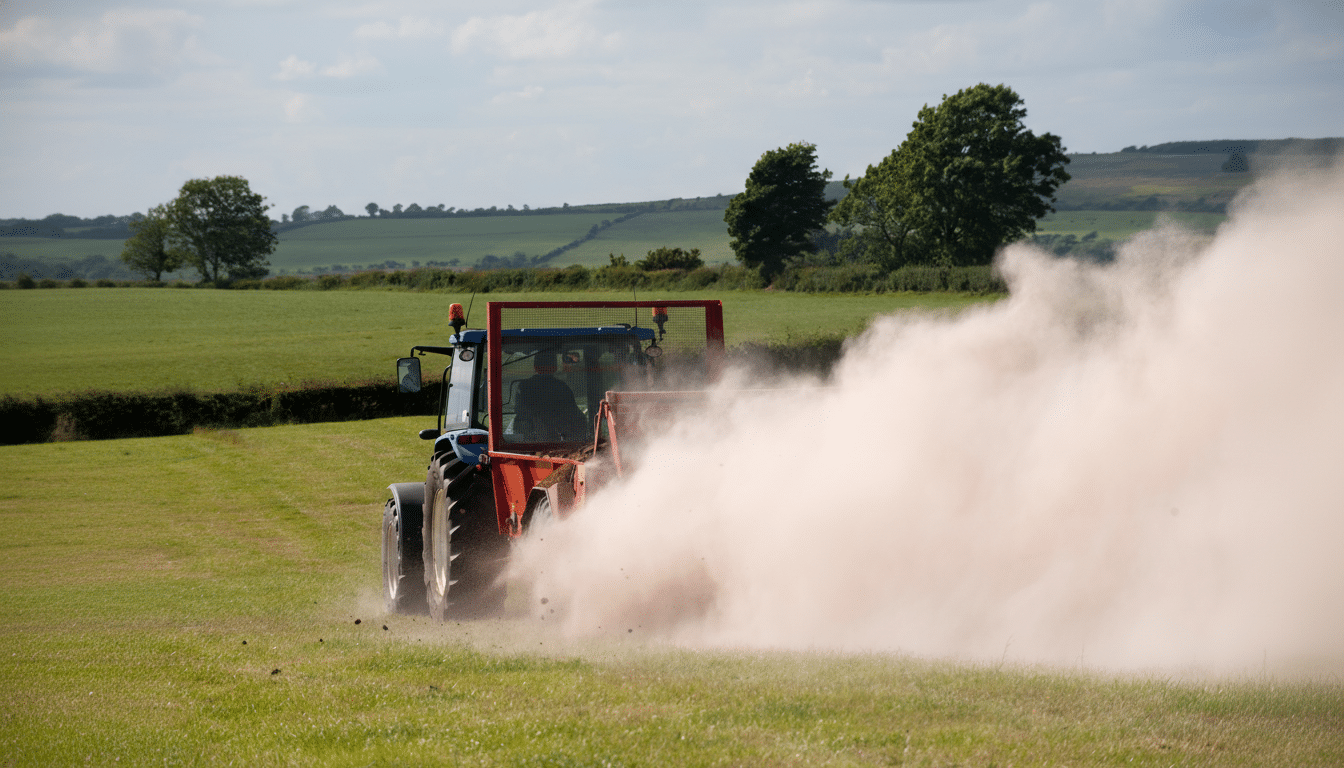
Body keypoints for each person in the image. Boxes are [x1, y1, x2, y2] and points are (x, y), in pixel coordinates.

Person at [513, 351, 589, 441]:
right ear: (555, 368)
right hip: (558, 439)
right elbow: (574, 414)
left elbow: (520, 411)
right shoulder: (562, 387)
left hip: (530, 441)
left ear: (535, 367)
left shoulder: (523, 387)